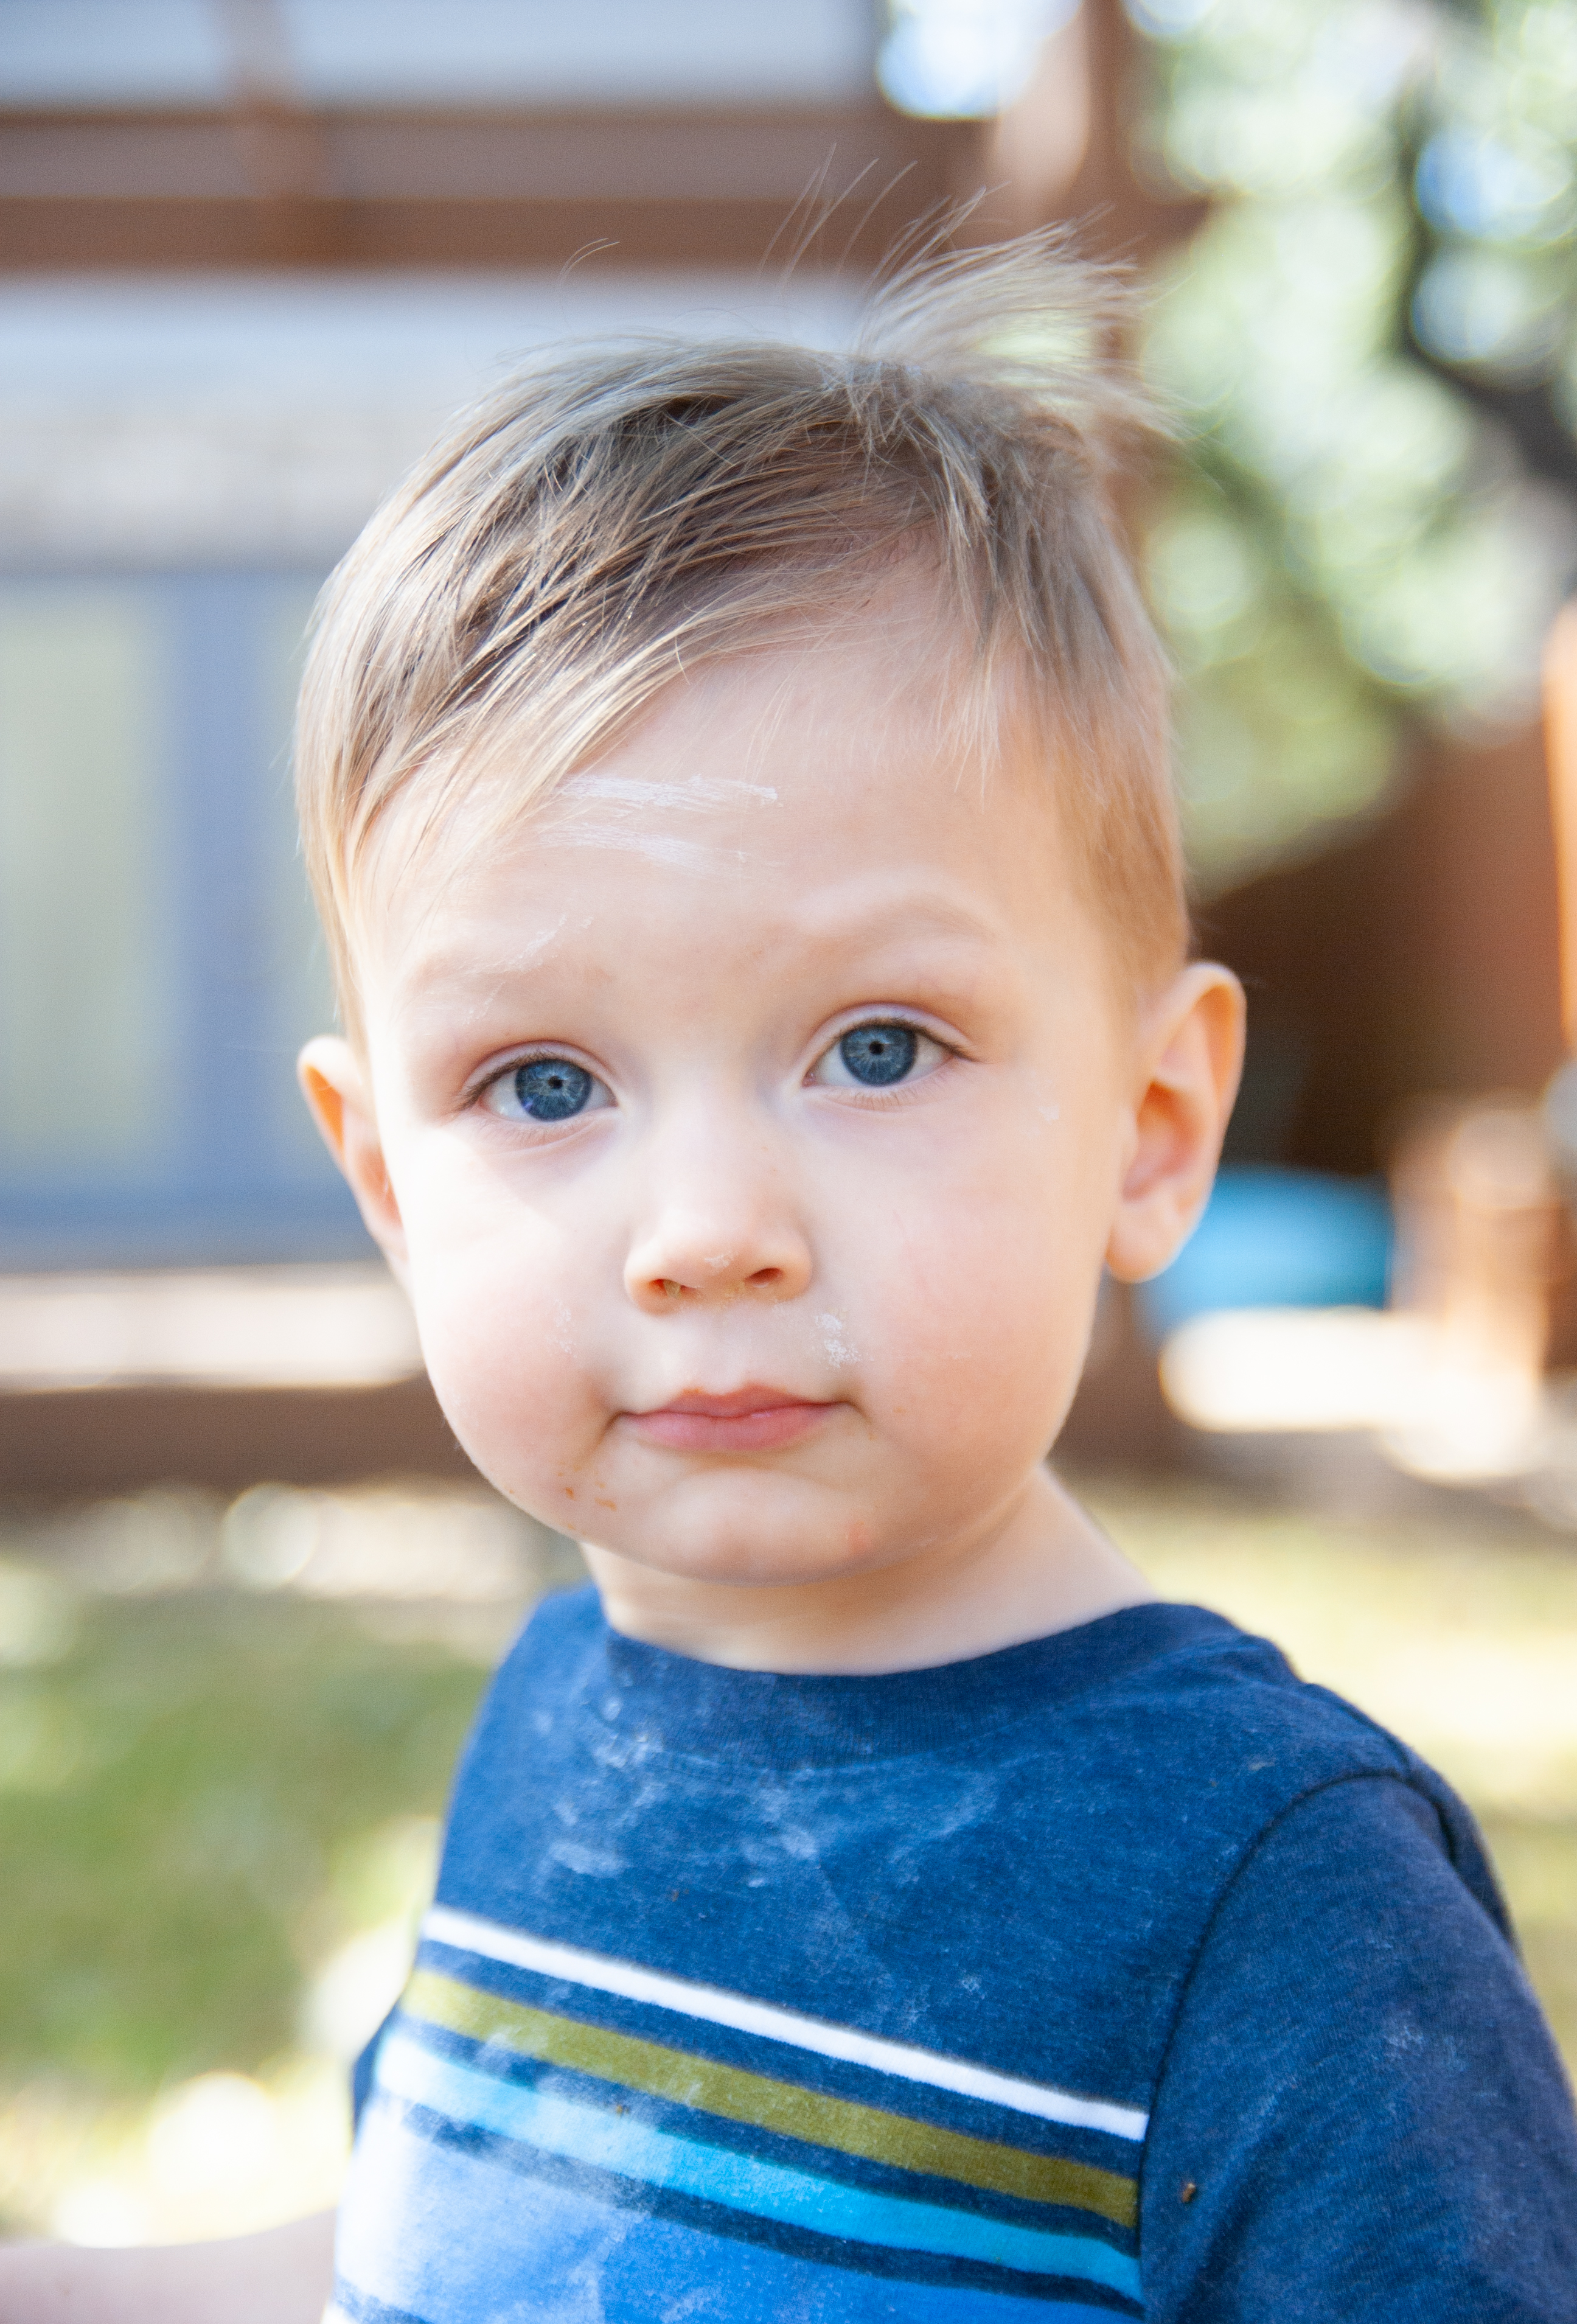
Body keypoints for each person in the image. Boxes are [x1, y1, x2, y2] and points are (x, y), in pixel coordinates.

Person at [4, 236, 1575, 2323]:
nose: (705, 1227)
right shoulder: (562, 1715)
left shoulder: (1268, 1892)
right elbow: (435, 2266)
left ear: (1150, 1125)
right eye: (543, 1082)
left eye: (877, 1047)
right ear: (386, 1181)